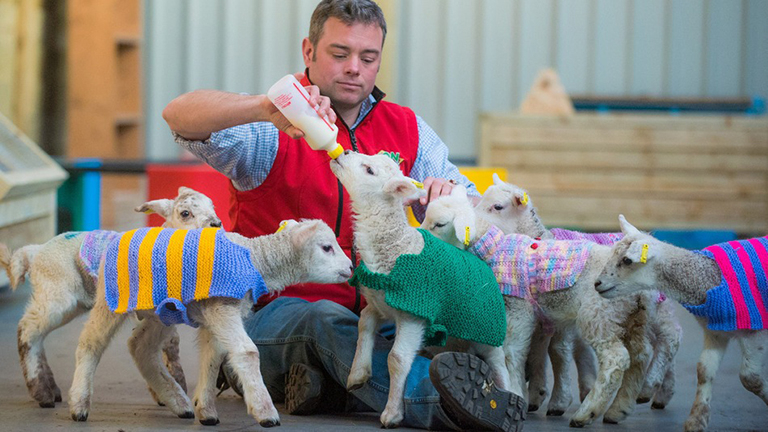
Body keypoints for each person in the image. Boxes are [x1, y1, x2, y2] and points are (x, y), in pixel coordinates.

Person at [162, 1, 524, 430]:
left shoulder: (408, 129)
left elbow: (472, 208)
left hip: (382, 308)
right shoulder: (274, 126)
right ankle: (449, 403)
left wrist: (450, 203)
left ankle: (324, 388)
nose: (354, 67)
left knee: (414, 330)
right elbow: (179, 115)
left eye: (368, 58)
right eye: (339, 54)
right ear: (308, 51)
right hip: (273, 315)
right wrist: (262, 106)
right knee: (325, 322)